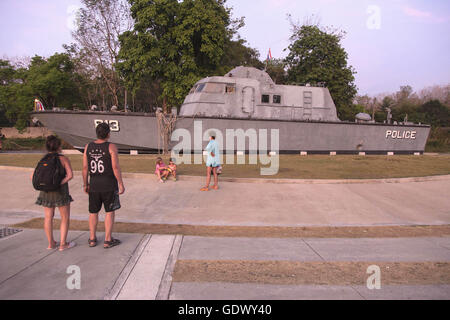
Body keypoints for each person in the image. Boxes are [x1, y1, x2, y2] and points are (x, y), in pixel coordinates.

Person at [83, 123, 125, 249]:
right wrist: (121, 183)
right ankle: (107, 239)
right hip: (108, 184)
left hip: (94, 184)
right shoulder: (111, 147)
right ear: (108, 133)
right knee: (109, 211)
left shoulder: (88, 147)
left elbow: (85, 168)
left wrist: (85, 184)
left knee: (93, 212)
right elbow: (115, 167)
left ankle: (92, 238)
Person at [35, 135, 75, 251]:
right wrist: (59, 182)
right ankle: (63, 244)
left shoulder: (43, 159)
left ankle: (51, 243)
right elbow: (70, 175)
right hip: (60, 192)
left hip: (45, 192)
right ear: (59, 146)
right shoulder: (63, 159)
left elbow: (33, 176)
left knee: (48, 217)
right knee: (64, 217)